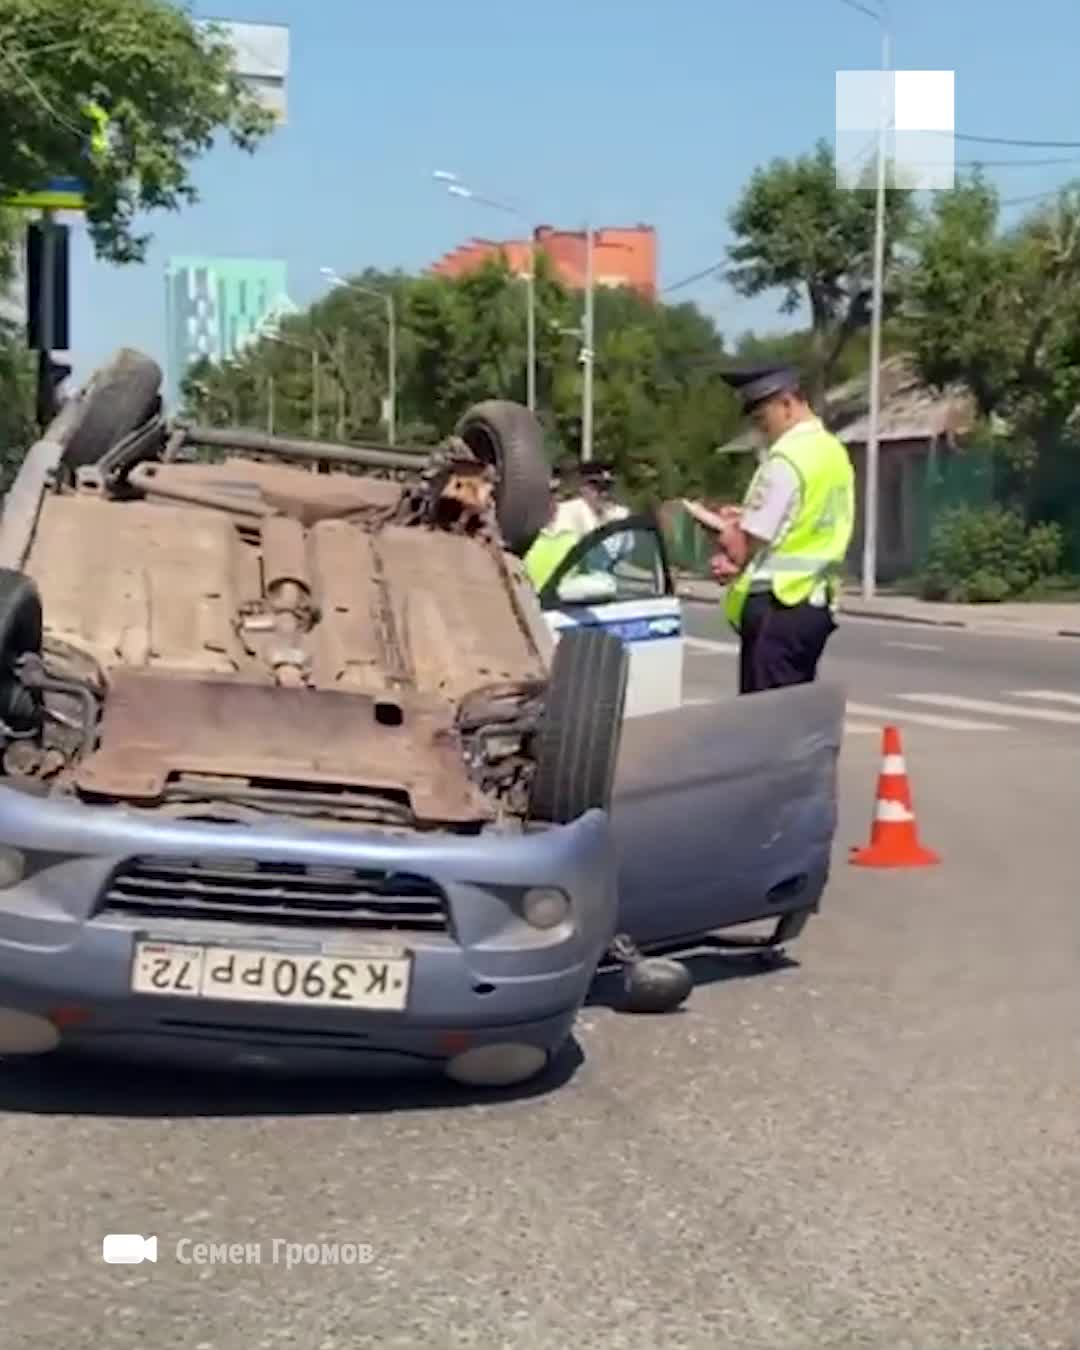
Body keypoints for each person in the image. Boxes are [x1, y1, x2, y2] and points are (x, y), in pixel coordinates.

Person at [683, 364, 854, 695]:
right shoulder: (833, 451)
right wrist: (745, 516)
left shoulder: (786, 458)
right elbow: (801, 517)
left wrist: (714, 525)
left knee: (764, 720)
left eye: (763, 419)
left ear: (788, 403)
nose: (762, 431)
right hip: (814, 602)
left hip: (779, 606)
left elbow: (744, 545)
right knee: (791, 714)